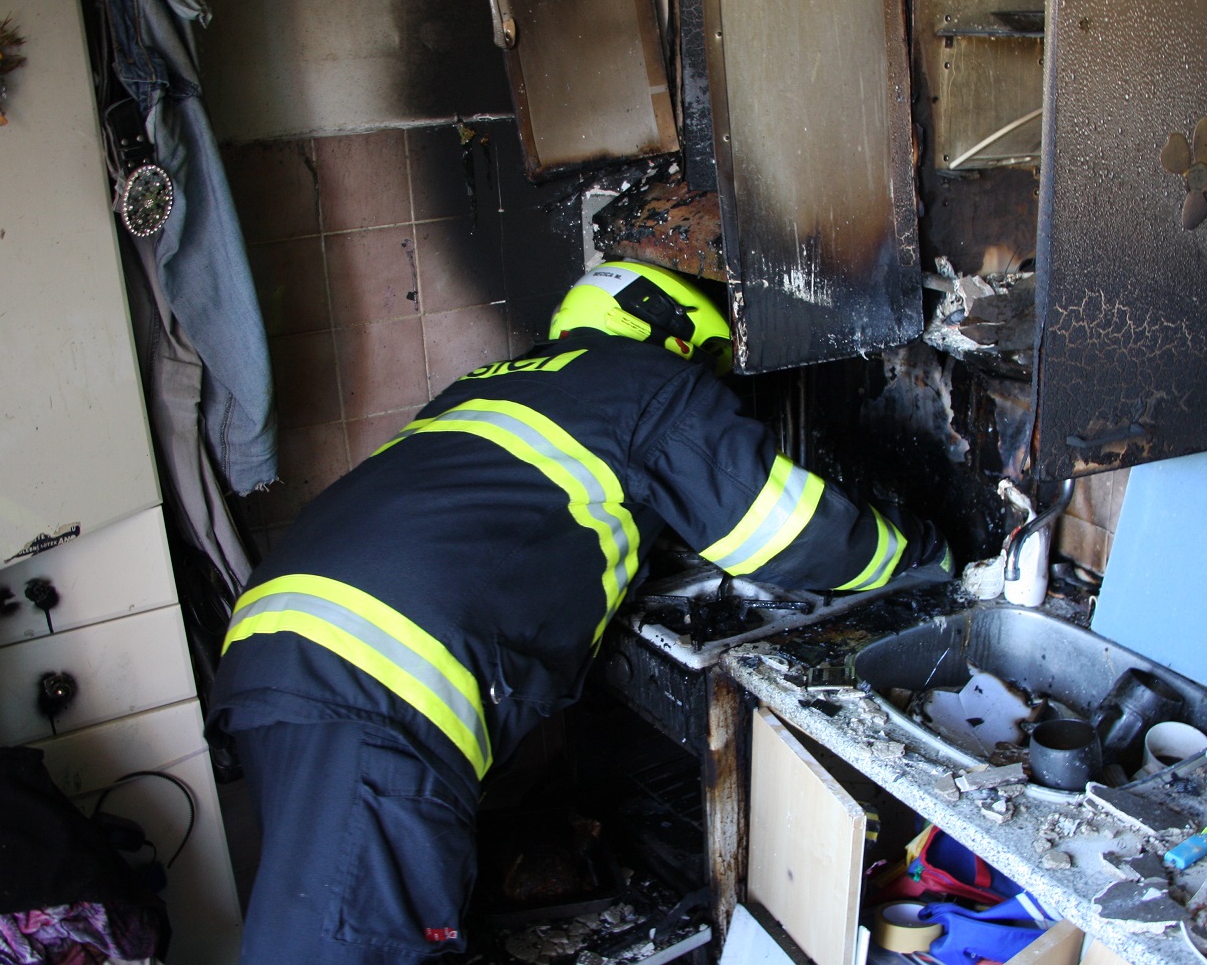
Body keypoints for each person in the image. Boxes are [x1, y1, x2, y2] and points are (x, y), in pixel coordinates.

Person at [207, 259, 951, 964]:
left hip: (277, 643)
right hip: (376, 682)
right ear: (676, 336)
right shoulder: (647, 379)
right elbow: (781, 531)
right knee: (349, 940)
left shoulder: (493, 383)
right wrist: (921, 554)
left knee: (318, 910)